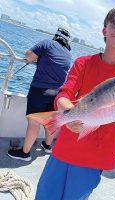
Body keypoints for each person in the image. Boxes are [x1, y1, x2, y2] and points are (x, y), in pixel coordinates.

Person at [35, 4, 115, 200]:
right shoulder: (83, 62)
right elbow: (63, 94)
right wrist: (68, 111)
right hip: (66, 146)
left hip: (96, 155)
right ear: (104, 30)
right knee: (44, 195)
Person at [7, 27, 72, 161]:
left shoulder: (47, 43)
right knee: (50, 122)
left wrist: (38, 57)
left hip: (40, 91)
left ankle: (24, 153)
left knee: (34, 122)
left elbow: (29, 56)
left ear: (56, 37)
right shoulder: (68, 54)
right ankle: (47, 146)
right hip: (57, 95)